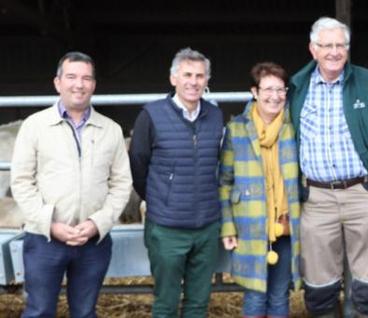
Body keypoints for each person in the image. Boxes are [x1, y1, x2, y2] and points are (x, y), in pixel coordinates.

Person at [10, 51, 132, 317]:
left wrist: (98, 223)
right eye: (72, 77)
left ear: (94, 85)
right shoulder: (35, 126)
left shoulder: (110, 129)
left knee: (85, 311)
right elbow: (20, 181)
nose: (79, 84)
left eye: (86, 78)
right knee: (39, 310)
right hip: (45, 238)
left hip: (93, 241)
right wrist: (49, 224)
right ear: (58, 82)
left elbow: (122, 183)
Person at [287, 16, 368, 318]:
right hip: (317, 198)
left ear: (347, 49)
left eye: (340, 45)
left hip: (362, 192)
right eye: (326, 45)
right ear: (313, 49)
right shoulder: (297, 87)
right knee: (320, 286)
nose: (334, 51)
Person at [129, 48, 224, 317]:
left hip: (206, 225)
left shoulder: (214, 116)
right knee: (166, 302)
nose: (193, 82)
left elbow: (219, 163)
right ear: (173, 79)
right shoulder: (152, 115)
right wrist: (161, 199)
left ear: (207, 81)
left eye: (200, 76)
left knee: (199, 302)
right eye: (187, 75)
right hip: (167, 227)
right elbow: (138, 163)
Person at [219, 62, 301, 318]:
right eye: (268, 89)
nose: (274, 96)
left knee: (279, 296)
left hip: (285, 225)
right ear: (254, 92)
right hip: (250, 225)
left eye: (280, 89)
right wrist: (228, 226)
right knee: (254, 295)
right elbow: (225, 182)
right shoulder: (237, 129)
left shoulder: (294, 127)